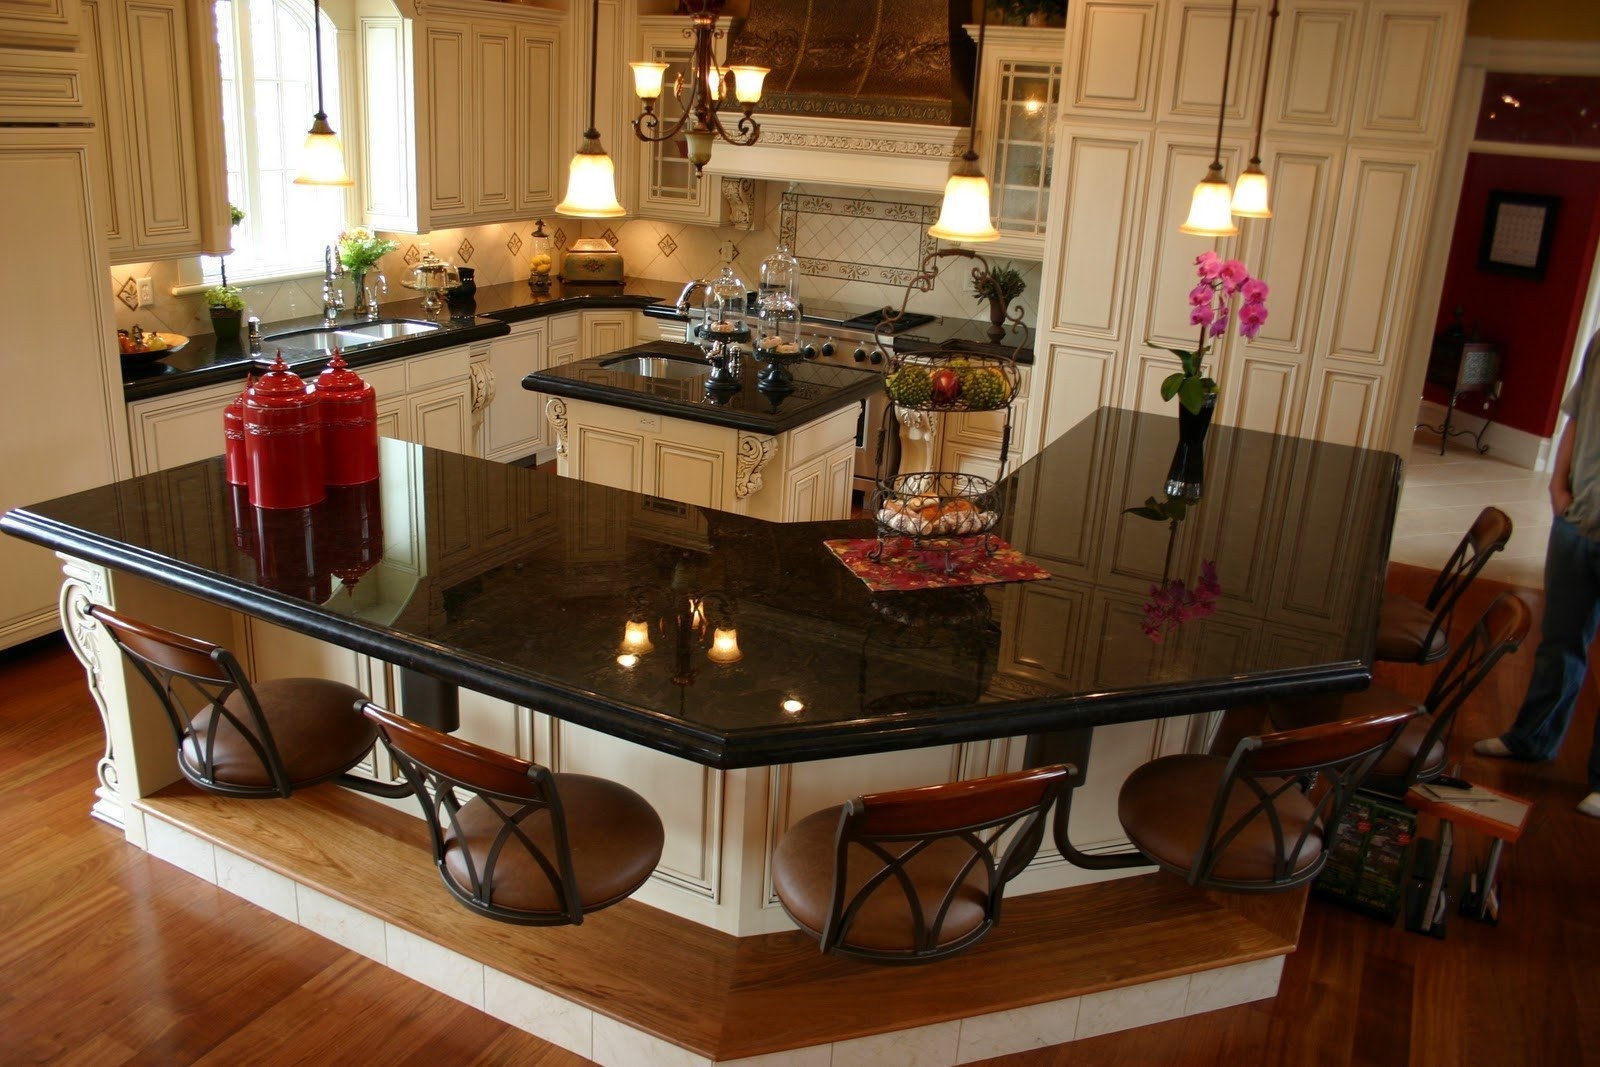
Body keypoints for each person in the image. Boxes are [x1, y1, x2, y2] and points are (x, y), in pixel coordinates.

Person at [1476, 328, 1600, 818]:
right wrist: (1557, 486)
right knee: (1559, 642)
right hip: (1578, 523)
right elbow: (1576, 415)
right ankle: (1532, 738)